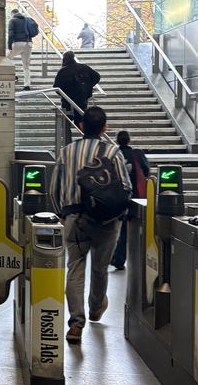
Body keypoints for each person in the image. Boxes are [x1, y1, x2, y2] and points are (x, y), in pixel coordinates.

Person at [50, 106, 131, 344]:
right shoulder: (113, 152)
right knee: (100, 267)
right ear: (105, 128)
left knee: (75, 268)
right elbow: (126, 187)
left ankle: (76, 324)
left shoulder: (66, 152)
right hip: (107, 220)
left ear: (81, 126)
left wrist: (63, 215)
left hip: (75, 218)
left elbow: (54, 189)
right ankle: (96, 306)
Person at [110, 130, 150, 270]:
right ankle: (120, 258)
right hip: (135, 196)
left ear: (117, 140)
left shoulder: (112, 154)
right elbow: (146, 171)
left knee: (116, 228)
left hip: (115, 197)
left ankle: (115, 256)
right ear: (129, 140)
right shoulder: (137, 154)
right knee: (128, 229)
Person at [53, 50, 101, 142]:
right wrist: (88, 87)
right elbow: (97, 76)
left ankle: (67, 142)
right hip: (81, 98)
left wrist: (64, 94)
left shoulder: (63, 71)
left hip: (67, 100)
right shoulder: (83, 67)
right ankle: (87, 139)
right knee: (81, 119)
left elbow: (56, 87)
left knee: (67, 120)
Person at [8, 8, 38, 90]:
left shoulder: (12, 20)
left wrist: (9, 46)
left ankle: (14, 75)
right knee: (26, 66)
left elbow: (10, 34)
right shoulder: (27, 19)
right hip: (28, 44)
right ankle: (27, 85)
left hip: (17, 43)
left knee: (6, 59)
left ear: (12, 14)